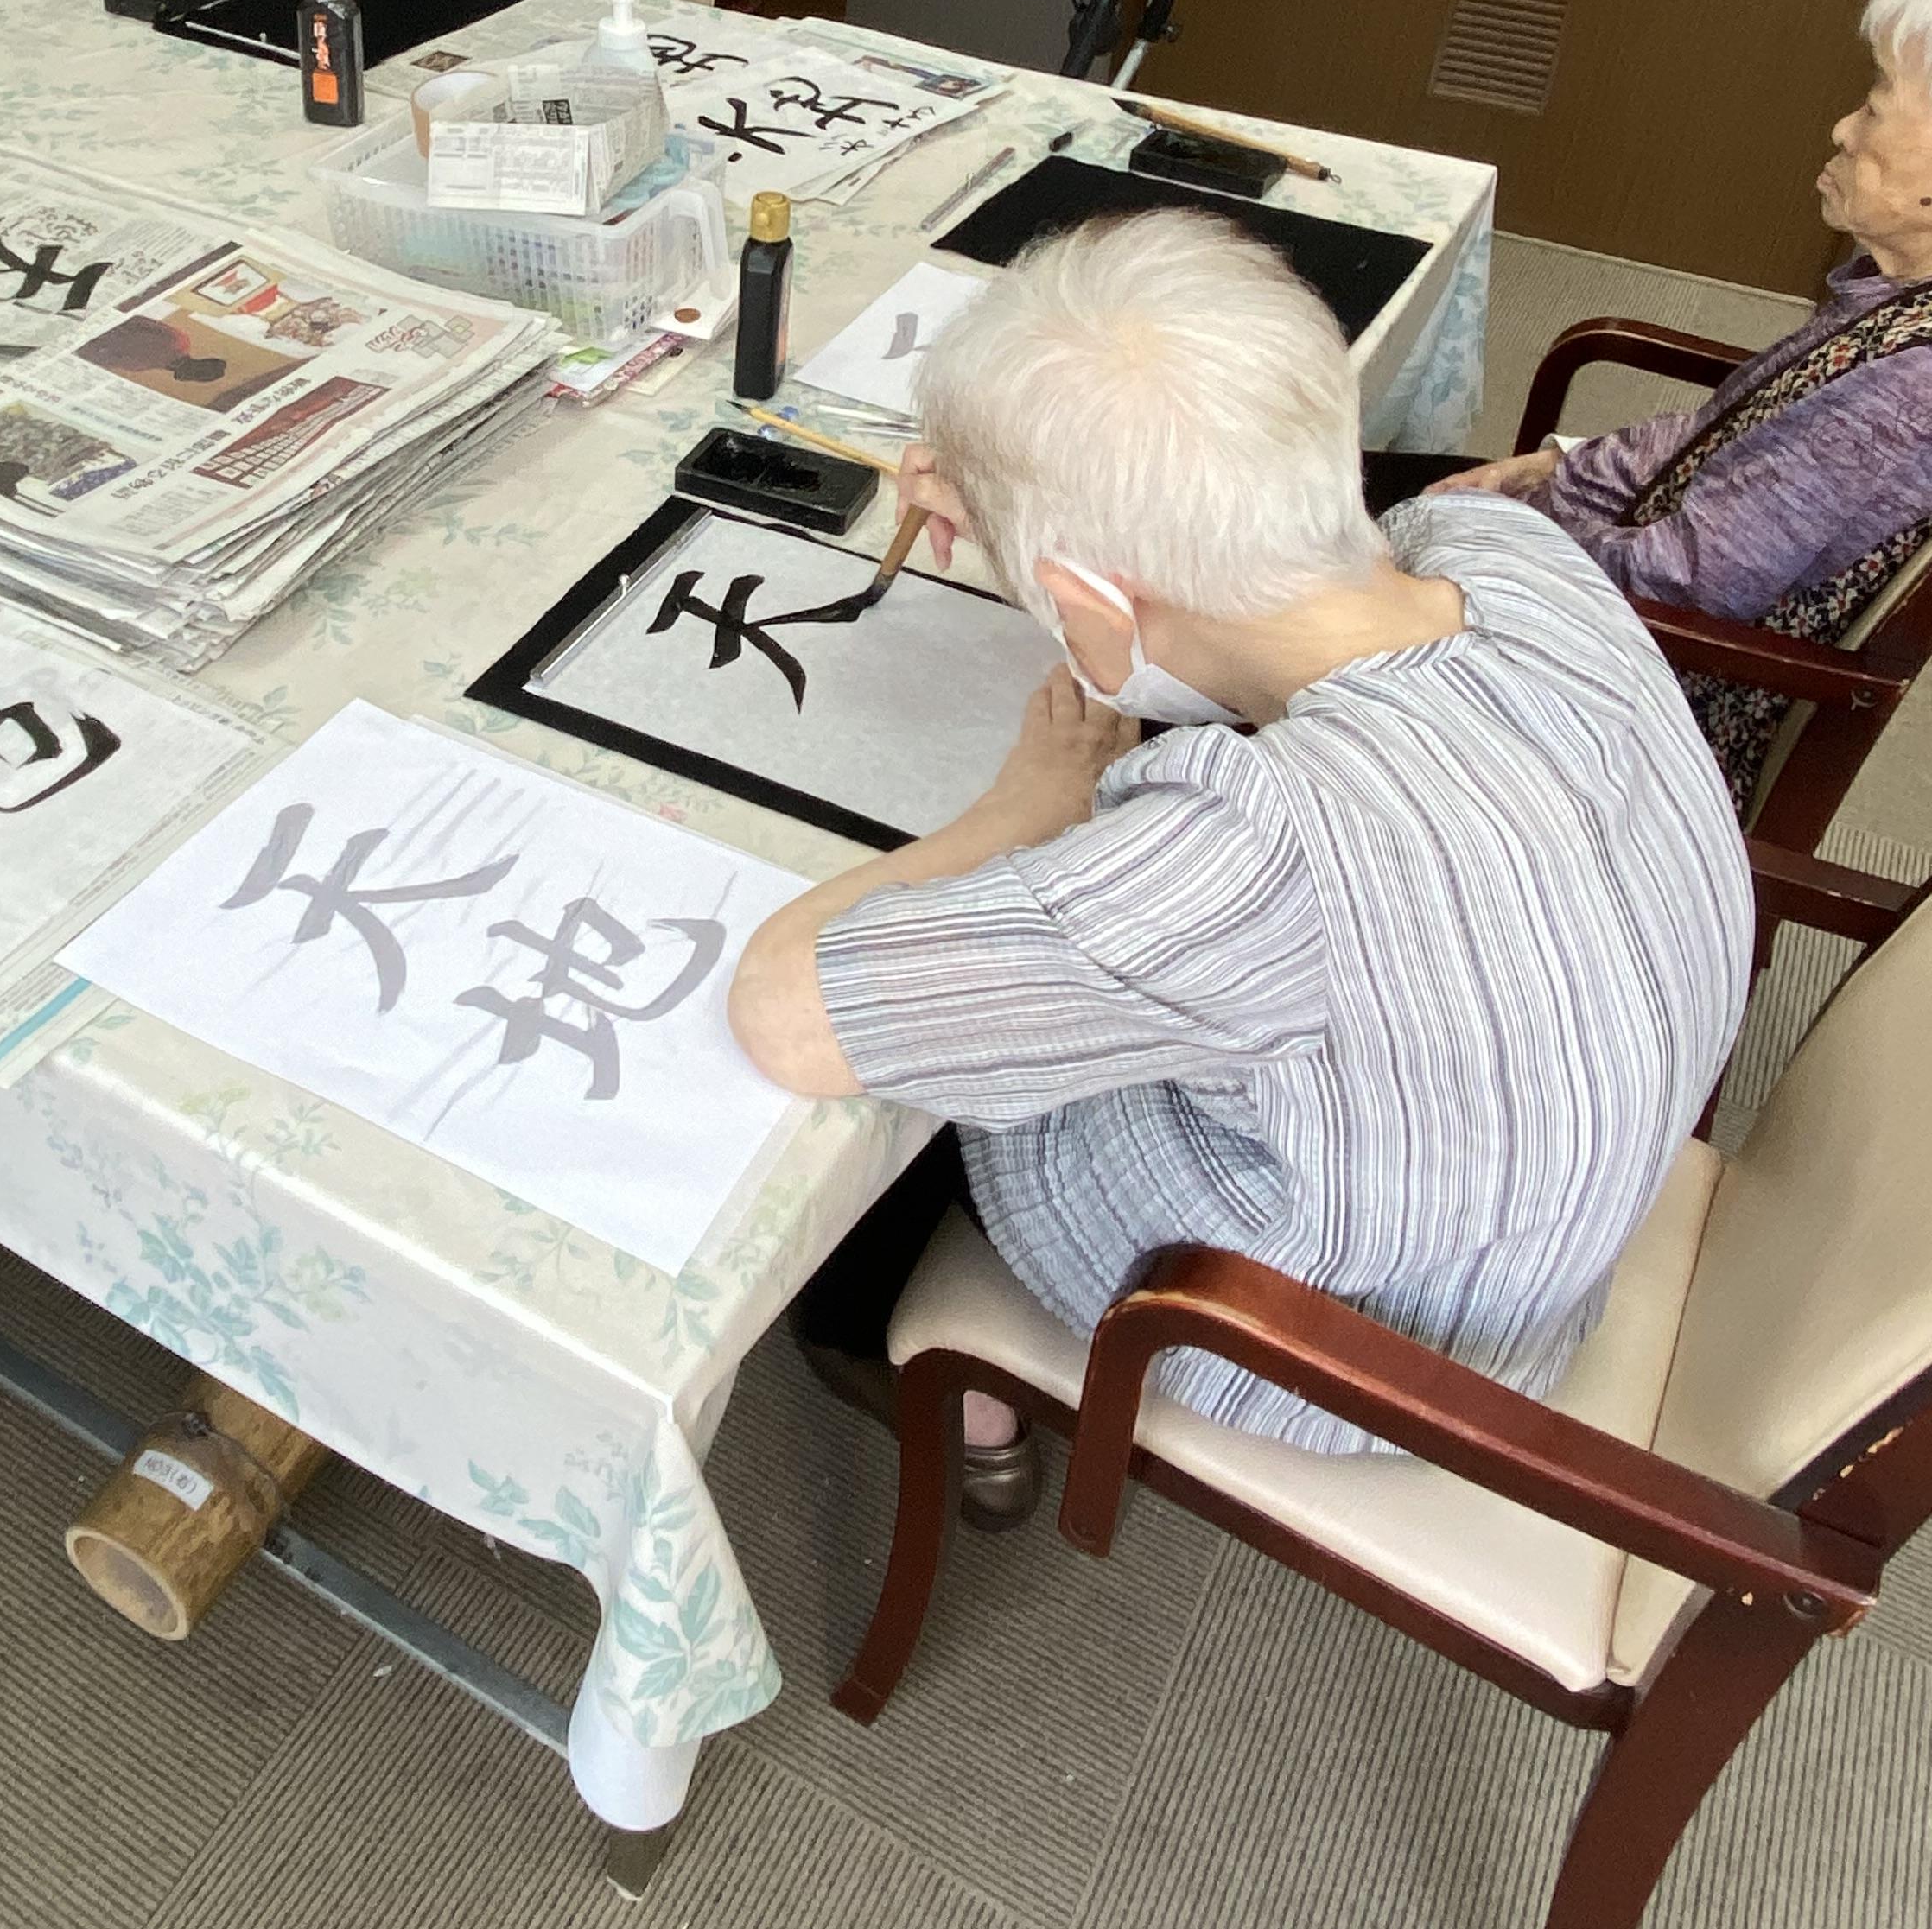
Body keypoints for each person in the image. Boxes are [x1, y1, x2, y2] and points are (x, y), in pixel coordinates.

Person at [728, 209, 1751, 1525]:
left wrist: (1021, 809)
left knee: (894, 1114)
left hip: (1379, 1337)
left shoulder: (1258, 856)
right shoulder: (1514, 553)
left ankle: (947, 1386)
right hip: (1565, 1171)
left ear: (1093, 605)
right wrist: (1039, 526)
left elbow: (785, 1009)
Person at [1407, 0, 1932, 808]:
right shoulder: (1892, 302)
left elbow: (1683, 583)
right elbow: (1728, 432)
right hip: (1631, 610)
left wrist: (1488, 546)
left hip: (1642, 708)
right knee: (1374, 497)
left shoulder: (1901, 398)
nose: (1844, 128)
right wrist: (1560, 468)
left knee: (1293, 559)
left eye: (1876, 103)